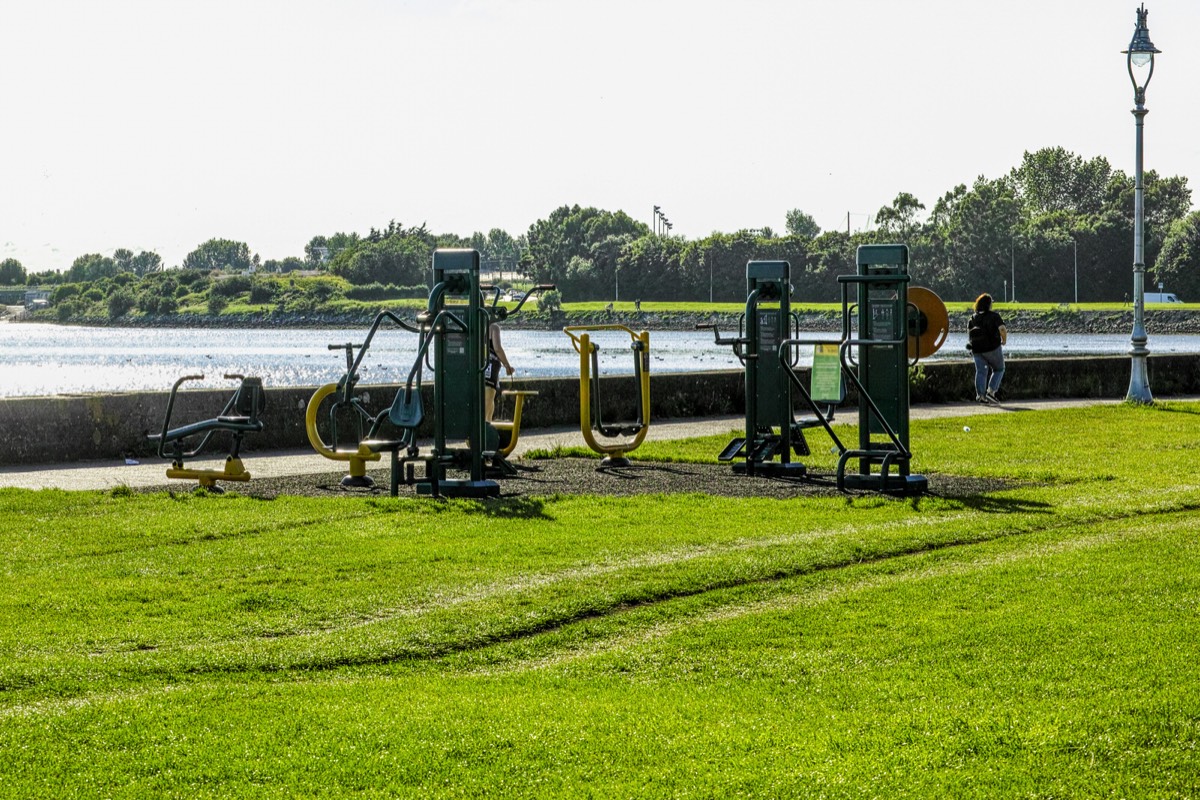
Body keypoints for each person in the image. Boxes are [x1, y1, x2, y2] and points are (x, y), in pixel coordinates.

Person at [967, 293, 1007, 403]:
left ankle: (981, 396)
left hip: (976, 350)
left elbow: (969, 335)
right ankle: (991, 391)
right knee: (999, 369)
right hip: (992, 348)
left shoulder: (972, 318)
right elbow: (1002, 329)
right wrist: (1004, 340)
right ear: (989, 304)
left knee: (981, 372)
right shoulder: (994, 316)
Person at [484, 321, 513, 422]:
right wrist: (507, 365)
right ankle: (487, 429)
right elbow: (497, 348)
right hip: (490, 367)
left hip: (475, 366)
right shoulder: (493, 327)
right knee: (489, 401)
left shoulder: (473, 325)